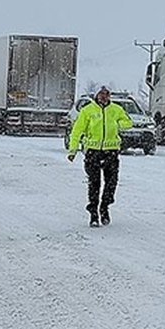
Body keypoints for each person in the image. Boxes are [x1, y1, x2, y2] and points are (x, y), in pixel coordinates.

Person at [67, 87, 133, 227]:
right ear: (96, 95)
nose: (104, 96)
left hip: (111, 151)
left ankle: (104, 207)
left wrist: (118, 124)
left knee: (111, 183)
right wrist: (73, 150)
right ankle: (93, 213)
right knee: (94, 183)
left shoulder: (116, 109)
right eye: (101, 94)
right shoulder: (87, 110)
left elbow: (128, 122)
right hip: (93, 152)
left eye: (107, 94)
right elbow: (77, 131)